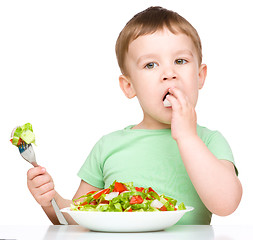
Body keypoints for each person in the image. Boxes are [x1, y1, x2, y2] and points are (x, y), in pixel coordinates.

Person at [27, 6, 242, 225]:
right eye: (151, 65)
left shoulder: (209, 141)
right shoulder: (108, 146)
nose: (169, 74)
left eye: (180, 61)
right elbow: (79, 218)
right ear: (129, 86)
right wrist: (50, 200)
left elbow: (226, 204)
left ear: (199, 76)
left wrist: (187, 136)